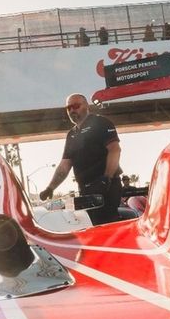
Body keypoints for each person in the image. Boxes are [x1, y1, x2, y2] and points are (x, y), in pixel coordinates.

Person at [39, 94, 123, 225]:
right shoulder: (71, 134)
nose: (72, 110)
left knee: (107, 224)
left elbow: (115, 150)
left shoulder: (101, 123)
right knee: (90, 225)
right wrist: (50, 188)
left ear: (87, 106)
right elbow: (65, 165)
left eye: (76, 106)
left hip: (106, 187)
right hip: (85, 190)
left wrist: (107, 178)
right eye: (69, 108)